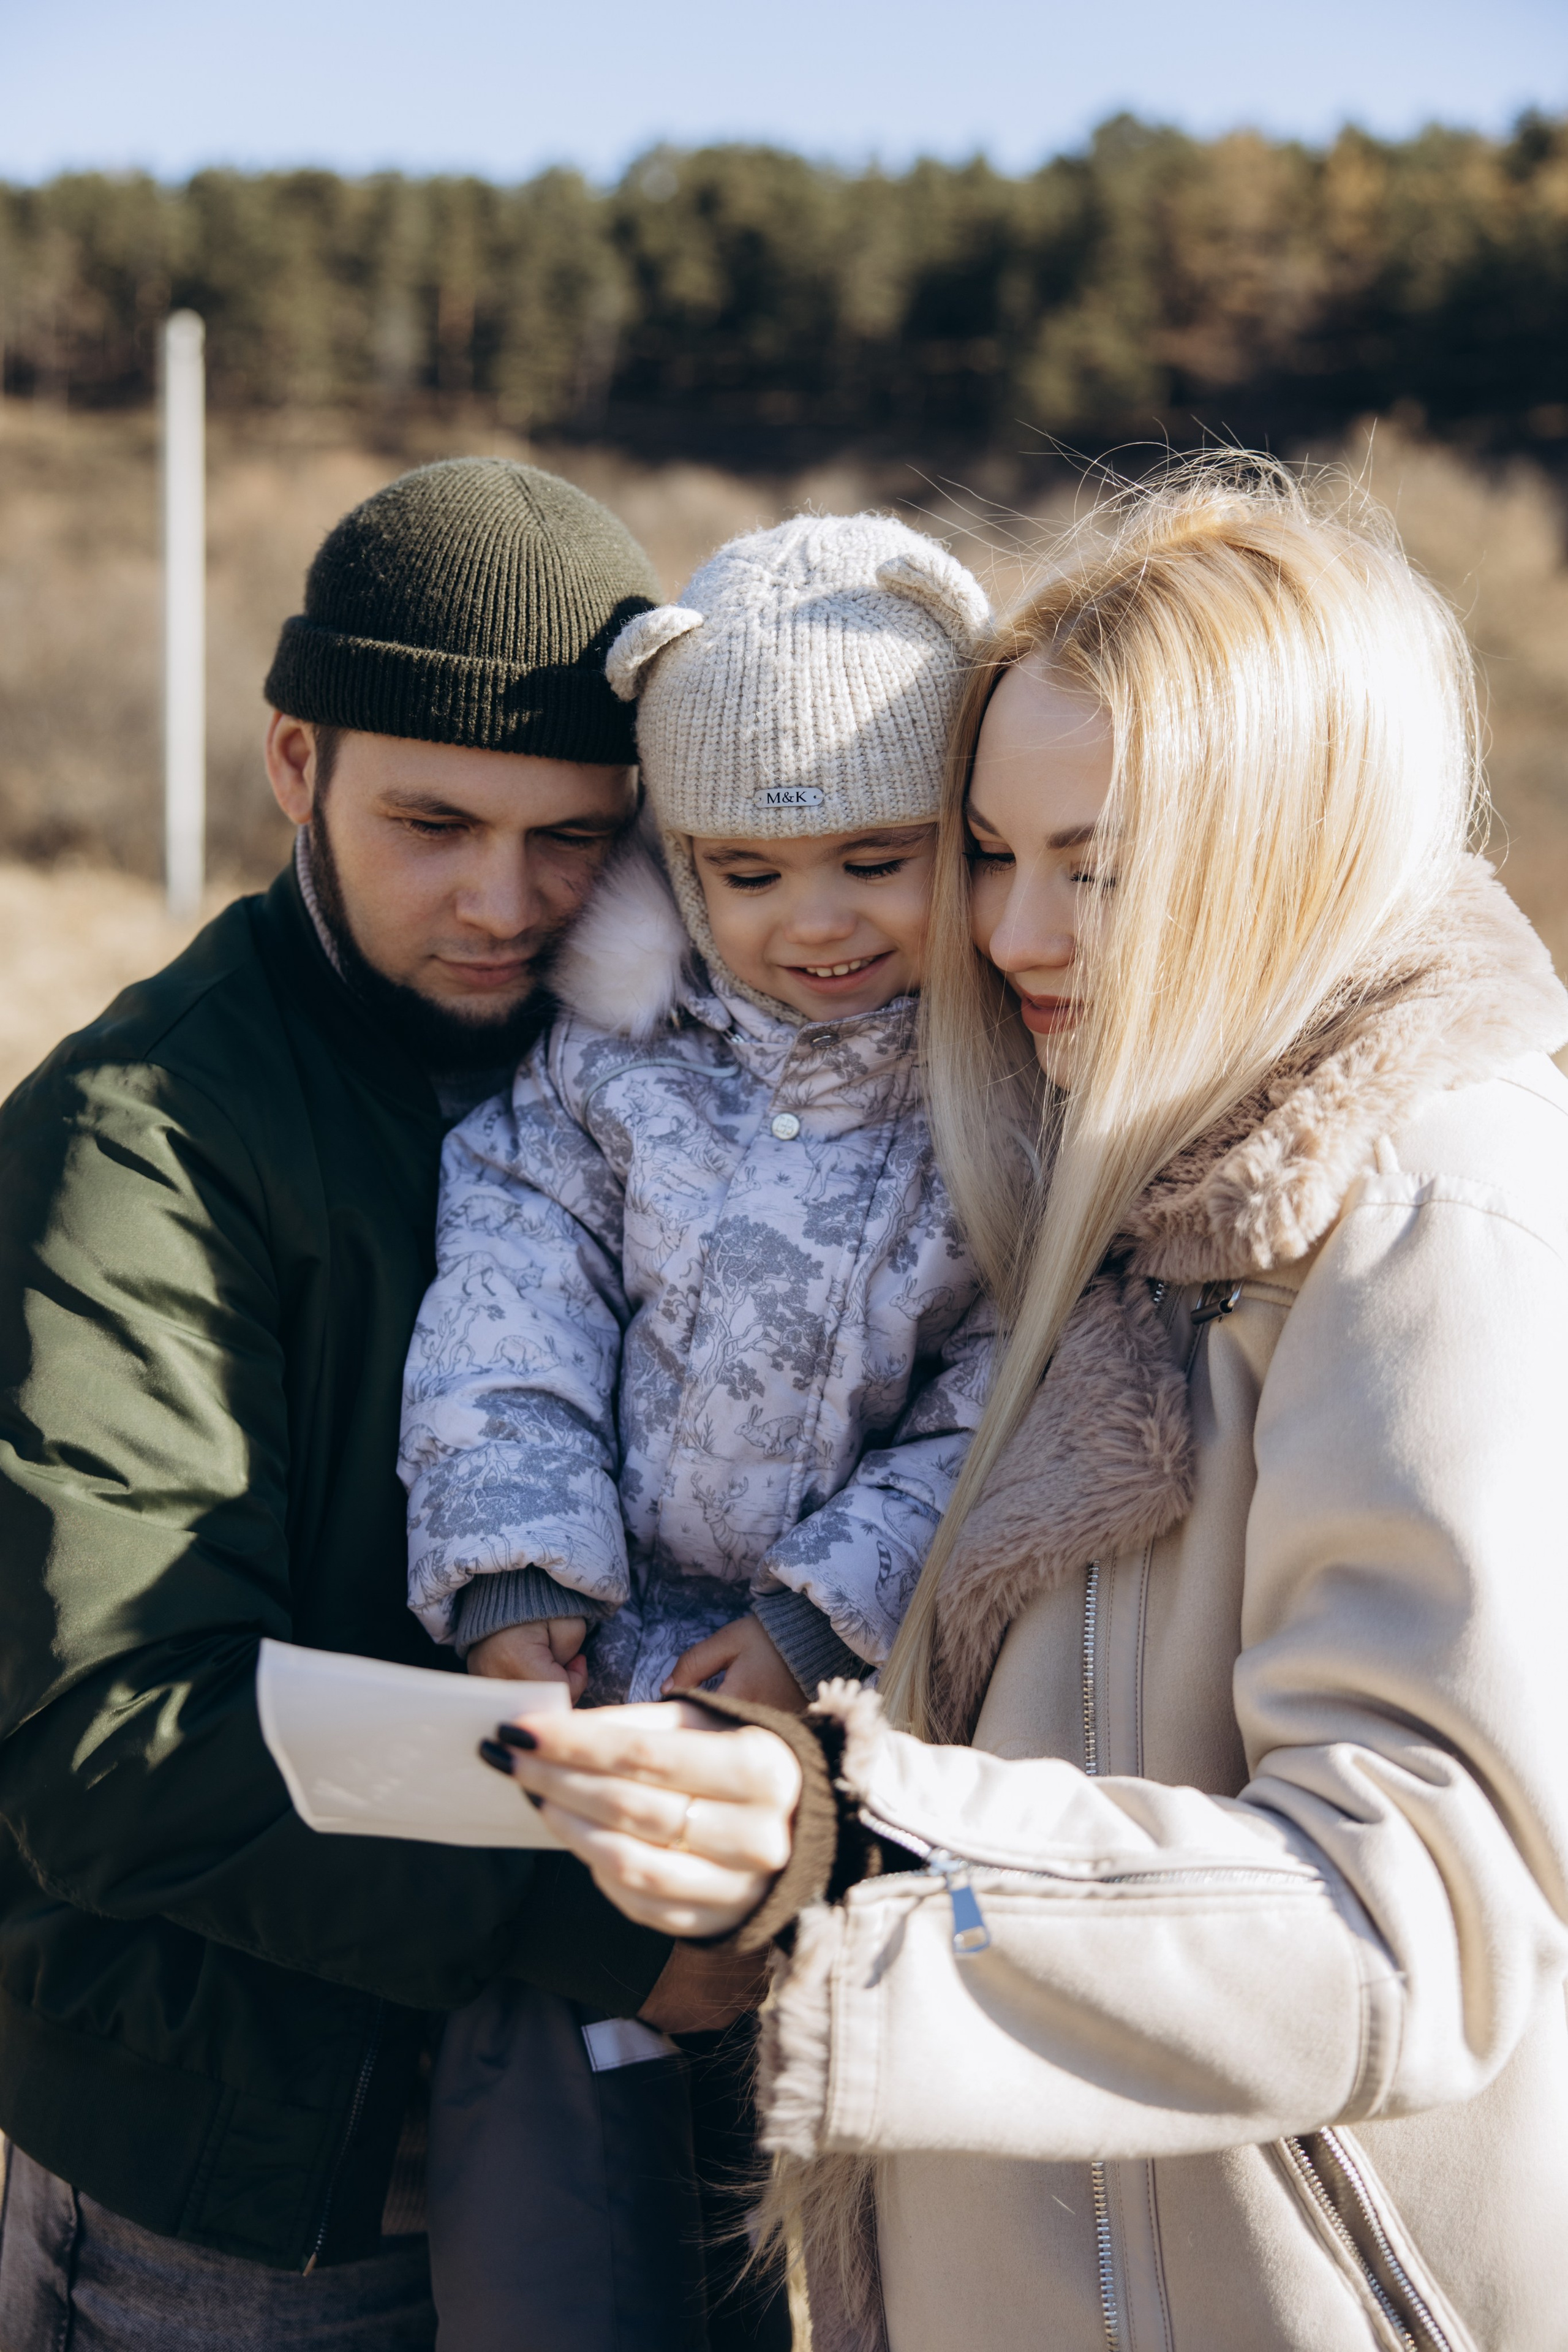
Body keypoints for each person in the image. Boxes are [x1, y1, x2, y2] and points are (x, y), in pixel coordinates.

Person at [473, 458, 1568, 2351]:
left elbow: (1427, 1915)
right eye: (991, 850)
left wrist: (855, 1843)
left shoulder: (1427, 1211)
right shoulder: (1113, 1174)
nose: (1012, 934)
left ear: (1283, 846)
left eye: (1100, 864)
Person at [0, 457, 754, 2352]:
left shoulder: (665, 1083)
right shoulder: (142, 1139)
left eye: (572, 835)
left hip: (648, 2144)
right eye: (433, 822)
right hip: (265, 2201)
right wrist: (600, 1925)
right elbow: (109, 1729)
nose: (501, 903)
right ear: (292, 762)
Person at [402, 513, 994, 2350]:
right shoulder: (607, 1073)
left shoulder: (1010, 1101)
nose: (810, 922)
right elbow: (509, 1309)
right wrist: (511, 1553)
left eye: (873, 863)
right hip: (612, 1713)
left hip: (881, 1746)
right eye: (744, 873)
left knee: (872, 2231)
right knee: (557, 2226)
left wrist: (830, 1611)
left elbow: (1018, 1398)